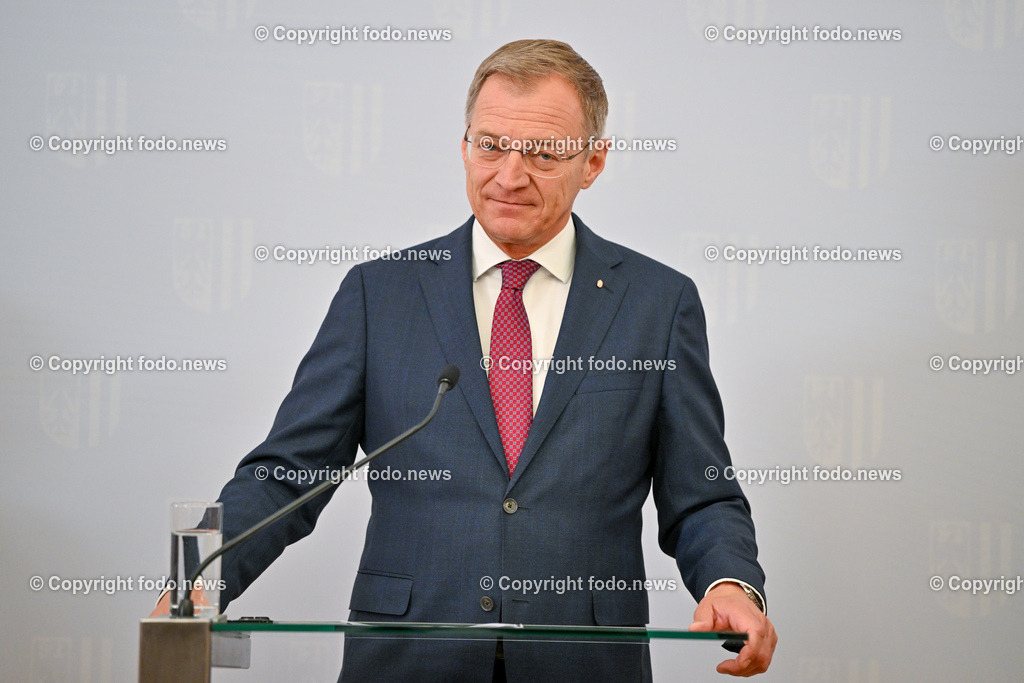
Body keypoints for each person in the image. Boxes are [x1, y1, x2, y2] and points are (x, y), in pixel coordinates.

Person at [209, 39, 777, 680]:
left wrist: (731, 583)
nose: (509, 175)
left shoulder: (658, 302)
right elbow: (289, 471)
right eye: (491, 145)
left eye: (542, 152)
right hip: (409, 658)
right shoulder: (381, 294)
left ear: (593, 162)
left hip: (582, 662)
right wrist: (199, 581)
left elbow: (700, 493)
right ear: (464, 146)